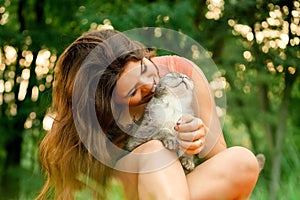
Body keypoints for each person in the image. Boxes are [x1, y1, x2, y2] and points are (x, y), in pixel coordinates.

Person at [37, 29, 260, 200]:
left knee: (243, 160)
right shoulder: (86, 122)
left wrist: (197, 138)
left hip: (178, 189)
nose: (150, 85)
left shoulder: (182, 73)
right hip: (123, 190)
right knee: (155, 154)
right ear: (107, 104)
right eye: (133, 91)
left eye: (144, 67)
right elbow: (82, 189)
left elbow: (220, 166)